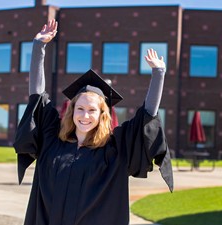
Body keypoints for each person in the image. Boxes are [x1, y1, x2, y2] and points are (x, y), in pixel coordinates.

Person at [14, 19, 173, 225]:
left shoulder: (114, 150)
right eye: (80, 109)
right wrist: (38, 47)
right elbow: (37, 97)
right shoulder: (52, 142)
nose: (85, 116)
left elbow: (147, 118)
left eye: (92, 110)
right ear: (71, 111)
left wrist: (158, 74)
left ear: (102, 115)